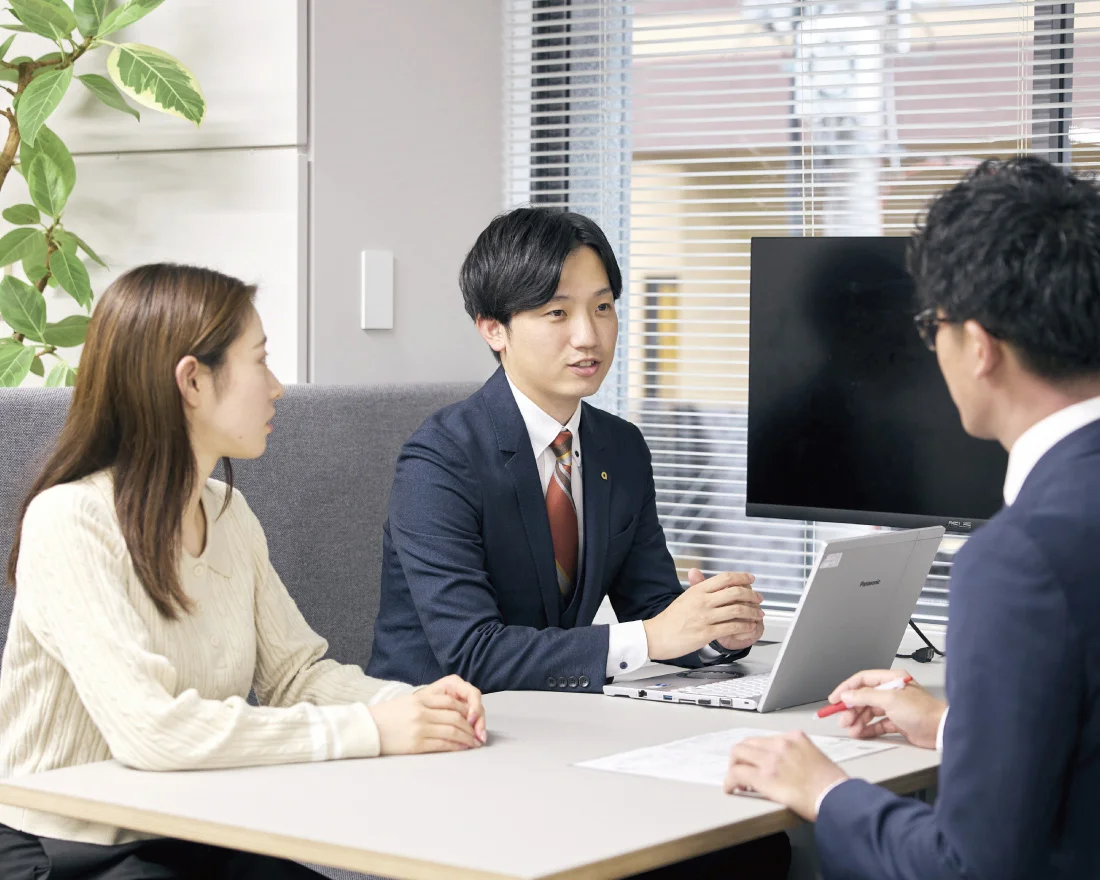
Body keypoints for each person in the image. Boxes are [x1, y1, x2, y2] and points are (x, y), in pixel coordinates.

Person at [0, 264, 487, 879]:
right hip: (63, 850)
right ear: (192, 380)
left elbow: (296, 676)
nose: (277, 386)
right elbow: (152, 731)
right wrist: (370, 728)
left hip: (188, 829)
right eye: (260, 360)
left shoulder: (229, 514)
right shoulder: (71, 520)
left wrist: (415, 704)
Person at [367, 208, 789, 878]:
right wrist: (655, 636)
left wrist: (715, 629)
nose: (588, 336)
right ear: (493, 329)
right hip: (448, 749)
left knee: (753, 845)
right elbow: (473, 653)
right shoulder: (440, 458)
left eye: (603, 307)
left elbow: (653, 606)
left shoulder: (620, 446)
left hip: (556, 735)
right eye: (557, 313)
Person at [724, 156, 1100, 880]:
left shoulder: (1020, 560)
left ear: (979, 347)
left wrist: (826, 791)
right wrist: (956, 727)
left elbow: (967, 870)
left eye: (934, 326)